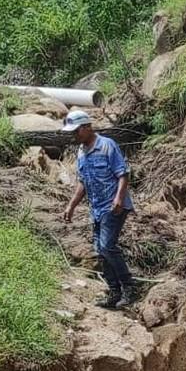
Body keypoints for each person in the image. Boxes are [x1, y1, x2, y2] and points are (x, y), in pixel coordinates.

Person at [61, 109, 136, 310]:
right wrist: (71, 206)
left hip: (113, 206)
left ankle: (129, 288)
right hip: (96, 208)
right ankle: (114, 292)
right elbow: (83, 183)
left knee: (106, 246)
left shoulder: (106, 146)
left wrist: (119, 198)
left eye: (76, 131)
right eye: (72, 132)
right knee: (100, 251)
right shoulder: (81, 152)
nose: (74, 135)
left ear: (87, 127)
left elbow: (123, 174)